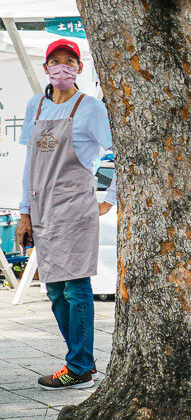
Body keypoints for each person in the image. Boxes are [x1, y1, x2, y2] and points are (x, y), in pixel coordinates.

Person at [16, 39, 117, 390]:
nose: (62, 68)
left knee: (75, 288)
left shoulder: (90, 108)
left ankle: (80, 366)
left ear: (79, 68)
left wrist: (109, 197)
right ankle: (78, 361)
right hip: (43, 208)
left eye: (69, 61)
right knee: (54, 291)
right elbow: (29, 162)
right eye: (55, 62)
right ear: (46, 68)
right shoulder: (35, 105)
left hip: (75, 208)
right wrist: (24, 212)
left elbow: (117, 152)